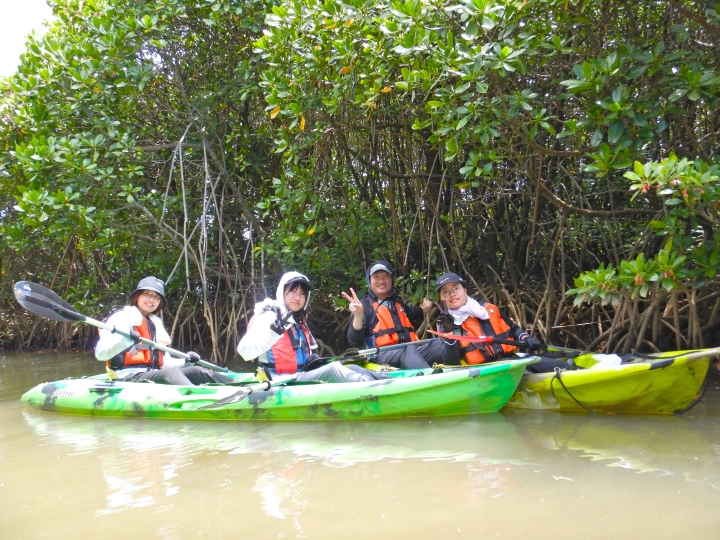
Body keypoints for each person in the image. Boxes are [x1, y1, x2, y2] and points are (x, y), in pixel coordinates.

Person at [237, 271, 388, 383]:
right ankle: (378, 389)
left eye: (302, 294)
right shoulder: (270, 315)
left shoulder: (296, 319)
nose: (298, 298)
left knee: (351, 366)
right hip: (279, 380)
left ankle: (387, 380)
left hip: (299, 375)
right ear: (282, 291)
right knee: (332, 370)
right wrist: (272, 333)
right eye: (293, 291)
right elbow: (244, 351)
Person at [95, 276, 235, 385]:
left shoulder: (155, 323)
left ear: (160, 302)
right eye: (146, 294)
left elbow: (164, 362)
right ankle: (199, 397)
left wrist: (186, 361)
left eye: (156, 296)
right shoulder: (122, 317)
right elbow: (100, 354)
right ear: (137, 297)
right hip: (128, 377)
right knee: (171, 374)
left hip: (154, 373)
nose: (151, 300)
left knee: (199, 371)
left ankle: (243, 387)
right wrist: (125, 340)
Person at [433, 272, 573, 373]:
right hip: (485, 371)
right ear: (441, 299)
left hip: (512, 359)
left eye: (455, 288)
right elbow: (450, 362)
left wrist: (526, 338)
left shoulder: (488, 309)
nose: (452, 294)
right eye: (445, 292)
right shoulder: (445, 323)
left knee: (565, 366)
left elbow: (513, 328)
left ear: (465, 290)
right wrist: (450, 334)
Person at [341, 260, 457, 369]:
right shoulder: (364, 305)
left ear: (391, 279)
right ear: (369, 280)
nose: (381, 281)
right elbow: (354, 341)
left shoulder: (396, 302)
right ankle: (432, 380)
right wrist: (358, 315)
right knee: (408, 350)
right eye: (376, 277)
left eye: (386, 276)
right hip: (381, 357)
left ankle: (455, 374)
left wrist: (425, 308)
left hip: (411, 352)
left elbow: (411, 313)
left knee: (442, 343)